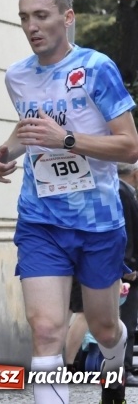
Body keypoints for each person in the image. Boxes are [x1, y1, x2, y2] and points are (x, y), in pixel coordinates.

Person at [0, 0, 138, 404]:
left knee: (104, 326)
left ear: (66, 18)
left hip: (98, 222)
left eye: (41, 16)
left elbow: (130, 146)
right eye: (24, 18)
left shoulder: (95, 68)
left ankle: (113, 366)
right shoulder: (17, 76)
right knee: (47, 330)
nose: (31, 27)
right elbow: (31, 131)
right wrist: (5, 151)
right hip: (41, 219)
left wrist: (67, 140)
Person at [117, 162, 138, 385]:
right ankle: (124, 370)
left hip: (128, 267)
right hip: (128, 270)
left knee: (127, 321)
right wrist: (128, 266)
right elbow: (126, 235)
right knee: (126, 321)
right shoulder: (122, 193)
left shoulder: (125, 192)